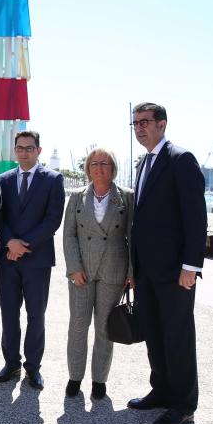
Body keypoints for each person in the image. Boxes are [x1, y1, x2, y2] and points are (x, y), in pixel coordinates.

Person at [127, 102, 206, 424]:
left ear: (162, 124)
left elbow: (195, 216)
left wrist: (191, 265)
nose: (139, 128)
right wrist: (133, 268)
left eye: (146, 122)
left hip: (175, 271)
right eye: (135, 123)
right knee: (155, 334)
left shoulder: (180, 159)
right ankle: (161, 391)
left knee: (177, 337)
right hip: (146, 271)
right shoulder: (144, 162)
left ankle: (183, 405)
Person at [0, 130, 64, 390]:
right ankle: (11, 363)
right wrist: (9, 242)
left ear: (39, 150)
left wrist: (23, 245)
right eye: (20, 148)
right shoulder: (3, 180)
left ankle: (33, 367)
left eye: (29, 148)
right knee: (9, 313)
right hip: (7, 259)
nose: (24, 152)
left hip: (38, 259)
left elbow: (52, 219)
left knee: (36, 315)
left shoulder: (53, 180)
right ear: (15, 151)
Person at [62, 148, 134, 400]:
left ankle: (99, 379)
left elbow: (132, 237)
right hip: (82, 271)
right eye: (94, 163)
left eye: (104, 163)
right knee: (78, 325)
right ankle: (74, 377)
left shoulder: (126, 197)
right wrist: (73, 268)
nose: (99, 167)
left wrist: (131, 271)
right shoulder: (77, 197)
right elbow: (69, 234)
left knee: (105, 327)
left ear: (112, 167)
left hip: (113, 270)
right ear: (88, 168)